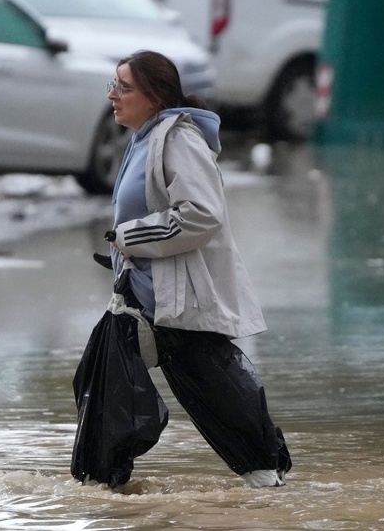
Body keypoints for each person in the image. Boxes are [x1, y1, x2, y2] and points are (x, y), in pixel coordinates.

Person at [101, 50, 292, 488]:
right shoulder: (144, 138)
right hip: (139, 300)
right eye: (112, 85)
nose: (112, 95)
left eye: (124, 87)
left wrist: (130, 237)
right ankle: (105, 492)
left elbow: (202, 214)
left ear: (155, 96)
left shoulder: (178, 139)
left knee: (227, 407)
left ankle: (272, 493)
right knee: (102, 394)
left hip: (178, 306)